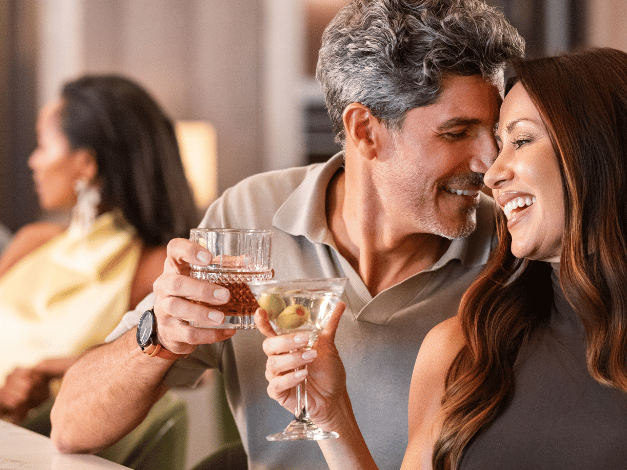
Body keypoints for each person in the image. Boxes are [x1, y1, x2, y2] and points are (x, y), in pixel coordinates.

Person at [259, 48, 627, 469]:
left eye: (519, 141)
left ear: (604, 157)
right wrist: (331, 414)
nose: (492, 173)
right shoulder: (462, 349)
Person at [50, 1, 524, 468]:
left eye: (497, 134)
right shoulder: (249, 216)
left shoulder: (512, 249)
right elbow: (70, 426)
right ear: (366, 131)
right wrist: (157, 335)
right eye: (458, 133)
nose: (491, 163)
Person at [0, 75, 199, 425]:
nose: (33, 161)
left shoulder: (152, 267)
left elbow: (177, 360)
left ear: (86, 164)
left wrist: (52, 372)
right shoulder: (32, 242)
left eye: (42, 145)